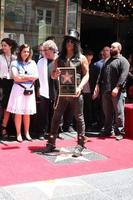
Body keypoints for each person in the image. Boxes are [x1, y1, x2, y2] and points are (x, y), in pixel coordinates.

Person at [43, 29, 89, 157]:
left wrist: (80, 87)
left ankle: (80, 144)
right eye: (67, 40)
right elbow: (53, 75)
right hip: (62, 93)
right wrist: (54, 74)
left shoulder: (82, 58)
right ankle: (51, 142)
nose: (69, 43)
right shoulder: (59, 58)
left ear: (76, 43)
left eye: (72, 41)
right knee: (56, 117)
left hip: (76, 92)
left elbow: (87, 75)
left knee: (79, 118)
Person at [93, 42, 130, 140]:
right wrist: (97, 85)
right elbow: (101, 74)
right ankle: (107, 130)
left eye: (113, 47)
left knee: (119, 112)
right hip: (106, 90)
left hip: (117, 92)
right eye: (111, 46)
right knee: (107, 112)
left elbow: (124, 76)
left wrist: (117, 87)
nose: (111, 48)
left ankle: (119, 132)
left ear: (119, 49)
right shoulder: (108, 60)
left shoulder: (123, 61)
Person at [6, 44, 38, 142]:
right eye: (24, 51)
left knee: (27, 113)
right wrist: (29, 77)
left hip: (30, 90)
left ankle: (27, 133)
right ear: (20, 52)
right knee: (19, 113)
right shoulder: (15, 63)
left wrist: (23, 76)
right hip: (19, 90)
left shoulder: (32, 63)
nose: (26, 53)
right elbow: (16, 77)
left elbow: (36, 76)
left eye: (28, 51)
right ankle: (18, 133)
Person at [37, 40, 58, 140]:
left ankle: (53, 131)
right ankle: (41, 132)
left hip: (56, 90)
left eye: (46, 50)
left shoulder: (59, 60)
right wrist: (38, 88)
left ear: (53, 50)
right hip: (44, 90)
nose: (44, 52)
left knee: (55, 112)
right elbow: (37, 77)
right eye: (43, 50)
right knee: (43, 112)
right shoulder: (41, 61)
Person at [0, 38, 17, 139]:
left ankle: (7, 128)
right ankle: (3, 128)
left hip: (13, 83)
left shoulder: (15, 58)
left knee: (10, 107)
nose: (3, 47)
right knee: (3, 106)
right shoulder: (0, 57)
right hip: (2, 83)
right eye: (2, 45)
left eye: (5, 45)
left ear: (10, 46)